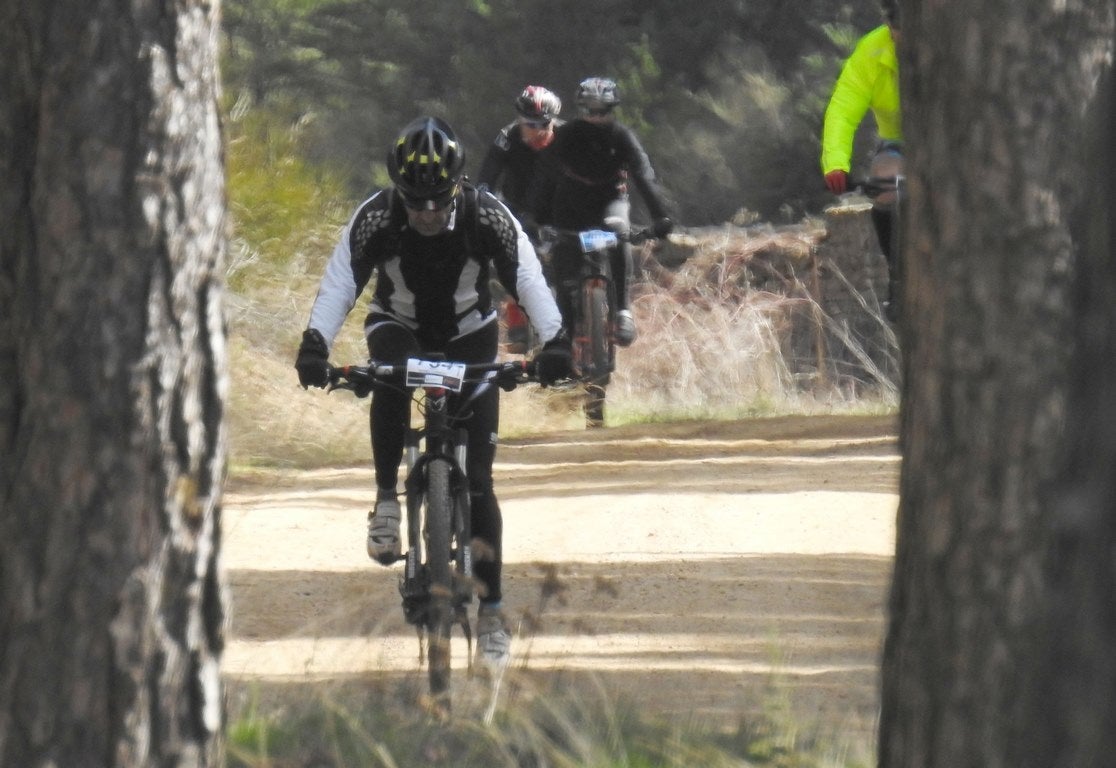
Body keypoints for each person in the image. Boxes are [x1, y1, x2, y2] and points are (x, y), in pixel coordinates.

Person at [293, 116, 572, 669]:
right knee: (388, 377)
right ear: (400, 191)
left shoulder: (486, 212)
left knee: (483, 482)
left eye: (436, 201)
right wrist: (315, 344)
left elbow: (527, 277)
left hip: (471, 332)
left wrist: (556, 341)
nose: (424, 213)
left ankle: (492, 613)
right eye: (414, 201)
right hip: (398, 324)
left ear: (457, 188)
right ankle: (385, 502)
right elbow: (341, 280)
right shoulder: (376, 215)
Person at [531, 76, 674, 346]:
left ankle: (622, 310)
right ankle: (565, 338)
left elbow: (644, 176)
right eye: (589, 111)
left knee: (618, 232)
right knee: (564, 270)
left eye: (603, 111)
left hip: (610, 202)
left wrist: (660, 217)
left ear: (613, 110)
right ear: (579, 110)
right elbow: (544, 177)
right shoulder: (565, 136)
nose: (596, 118)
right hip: (570, 206)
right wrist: (539, 218)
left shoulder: (622, 137)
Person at [821, 0, 904, 320]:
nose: (901, 38)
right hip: (902, 142)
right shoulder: (871, 51)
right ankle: (897, 276)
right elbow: (843, 109)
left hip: (957, 139)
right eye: (895, 28)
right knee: (885, 178)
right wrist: (836, 164)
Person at [476, 85, 565, 352]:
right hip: (519, 208)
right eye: (530, 124)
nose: (538, 131)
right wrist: (482, 202)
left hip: (561, 210)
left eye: (544, 124)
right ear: (519, 121)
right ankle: (517, 320)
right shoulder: (508, 137)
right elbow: (486, 178)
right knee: (513, 257)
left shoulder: (568, 137)